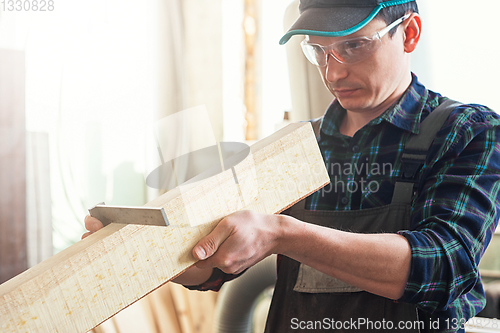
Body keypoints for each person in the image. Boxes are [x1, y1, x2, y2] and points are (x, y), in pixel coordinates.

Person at [84, 0, 500, 332]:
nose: (332, 71)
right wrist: (150, 255)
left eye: (353, 45)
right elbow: (214, 271)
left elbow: (444, 266)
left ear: (408, 33)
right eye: (318, 50)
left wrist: (281, 233)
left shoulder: (467, 132)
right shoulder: (293, 147)